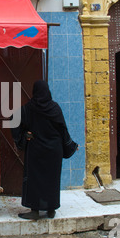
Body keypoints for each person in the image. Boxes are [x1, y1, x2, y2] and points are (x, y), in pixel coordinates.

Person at [11, 80, 78, 220]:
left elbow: (14, 120)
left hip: (36, 150)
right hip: (54, 151)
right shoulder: (55, 108)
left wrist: (24, 135)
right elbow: (62, 130)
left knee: (35, 180)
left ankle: (34, 210)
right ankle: (51, 208)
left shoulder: (29, 108)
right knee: (51, 180)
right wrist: (71, 145)